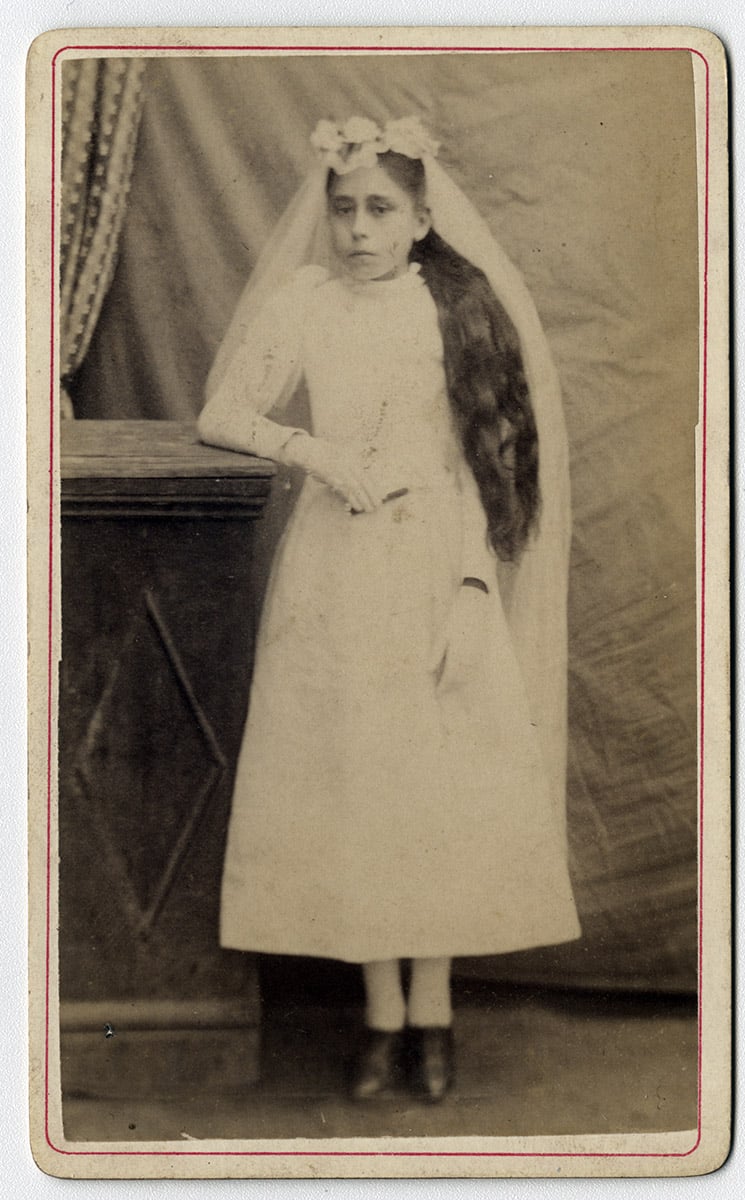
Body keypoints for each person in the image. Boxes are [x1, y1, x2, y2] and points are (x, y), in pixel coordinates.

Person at [198, 115, 581, 1104]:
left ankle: (433, 1012)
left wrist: (470, 589)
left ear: (419, 218)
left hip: (435, 571)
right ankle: (379, 1015)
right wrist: (316, 453)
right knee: (356, 782)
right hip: (333, 572)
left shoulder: (450, 308)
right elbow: (223, 413)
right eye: (343, 210)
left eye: (379, 210)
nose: (358, 229)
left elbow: (478, 465)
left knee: (432, 788)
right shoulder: (306, 302)